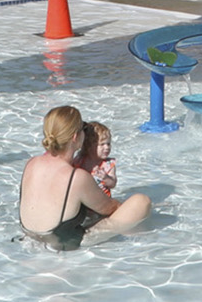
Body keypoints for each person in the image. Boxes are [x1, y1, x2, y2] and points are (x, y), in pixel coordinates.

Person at [18, 105, 151, 251]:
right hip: (61, 242)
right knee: (141, 202)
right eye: (83, 128)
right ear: (75, 137)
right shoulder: (76, 177)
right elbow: (110, 208)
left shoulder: (31, 163)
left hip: (29, 236)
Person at [72, 121, 118, 196]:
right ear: (89, 146)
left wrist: (106, 178)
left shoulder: (109, 164)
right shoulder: (80, 160)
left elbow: (113, 184)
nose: (107, 147)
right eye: (102, 144)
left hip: (103, 201)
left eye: (108, 144)